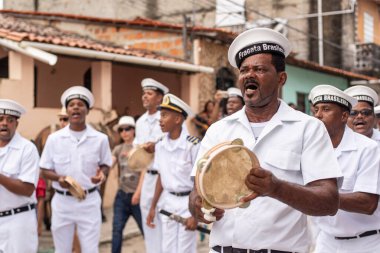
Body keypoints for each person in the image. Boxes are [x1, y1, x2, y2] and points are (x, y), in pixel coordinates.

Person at [188, 28, 342, 253]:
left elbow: (329, 202)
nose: (249, 75)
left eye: (259, 69)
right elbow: (196, 191)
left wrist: (276, 188)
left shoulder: (308, 128)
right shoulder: (218, 130)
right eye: (244, 70)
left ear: (281, 78)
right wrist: (197, 206)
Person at [40, 86, 112, 253]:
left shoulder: (100, 139)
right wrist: (59, 179)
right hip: (62, 202)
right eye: (72, 105)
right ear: (67, 110)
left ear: (87, 110)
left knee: (90, 249)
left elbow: (106, 164)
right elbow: (44, 169)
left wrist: (102, 174)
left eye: (80, 104)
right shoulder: (54, 139)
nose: (76, 107)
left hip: (89, 200)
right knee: (62, 249)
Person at [309, 84, 380, 253]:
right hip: (326, 241)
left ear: (343, 116)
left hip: (366, 242)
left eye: (326, 109)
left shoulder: (369, 148)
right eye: (316, 110)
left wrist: (319, 197)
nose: (318, 115)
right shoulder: (310, 149)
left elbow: (368, 204)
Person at [147, 93, 199, 253]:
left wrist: (196, 215)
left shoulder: (193, 145)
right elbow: (161, 177)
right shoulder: (160, 145)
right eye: (159, 115)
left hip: (188, 202)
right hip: (168, 201)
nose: (160, 119)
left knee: (185, 250)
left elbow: (200, 181)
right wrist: (153, 206)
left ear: (177, 119)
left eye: (164, 115)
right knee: (167, 248)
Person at [0, 99, 40, 253]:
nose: (4, 124)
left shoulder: (27, 149)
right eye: (0, 119)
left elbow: (27, 189)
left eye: (10, 120)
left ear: (16, 124)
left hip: (18, 222)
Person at [134, 78, 169, 253]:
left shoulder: (168, 118)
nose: (144, 97)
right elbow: (138, 152)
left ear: (160, 98)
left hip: (166, 178)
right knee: (149, 224)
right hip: (148, 177)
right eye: (144, 93)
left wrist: (157, 146)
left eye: (149, 93)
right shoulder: (139, 122)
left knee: (166, 224)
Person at [111, 116, 144, 253]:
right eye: (121, 130)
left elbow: (144, 172)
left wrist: (138, 193)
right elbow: (109, 164)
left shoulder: (140, 148)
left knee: (146, 231)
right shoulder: (118, 149)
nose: (124, 132)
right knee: (117, 230)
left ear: (134, 130)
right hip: (122, 196)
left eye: (127, 129)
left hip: (138, 197)